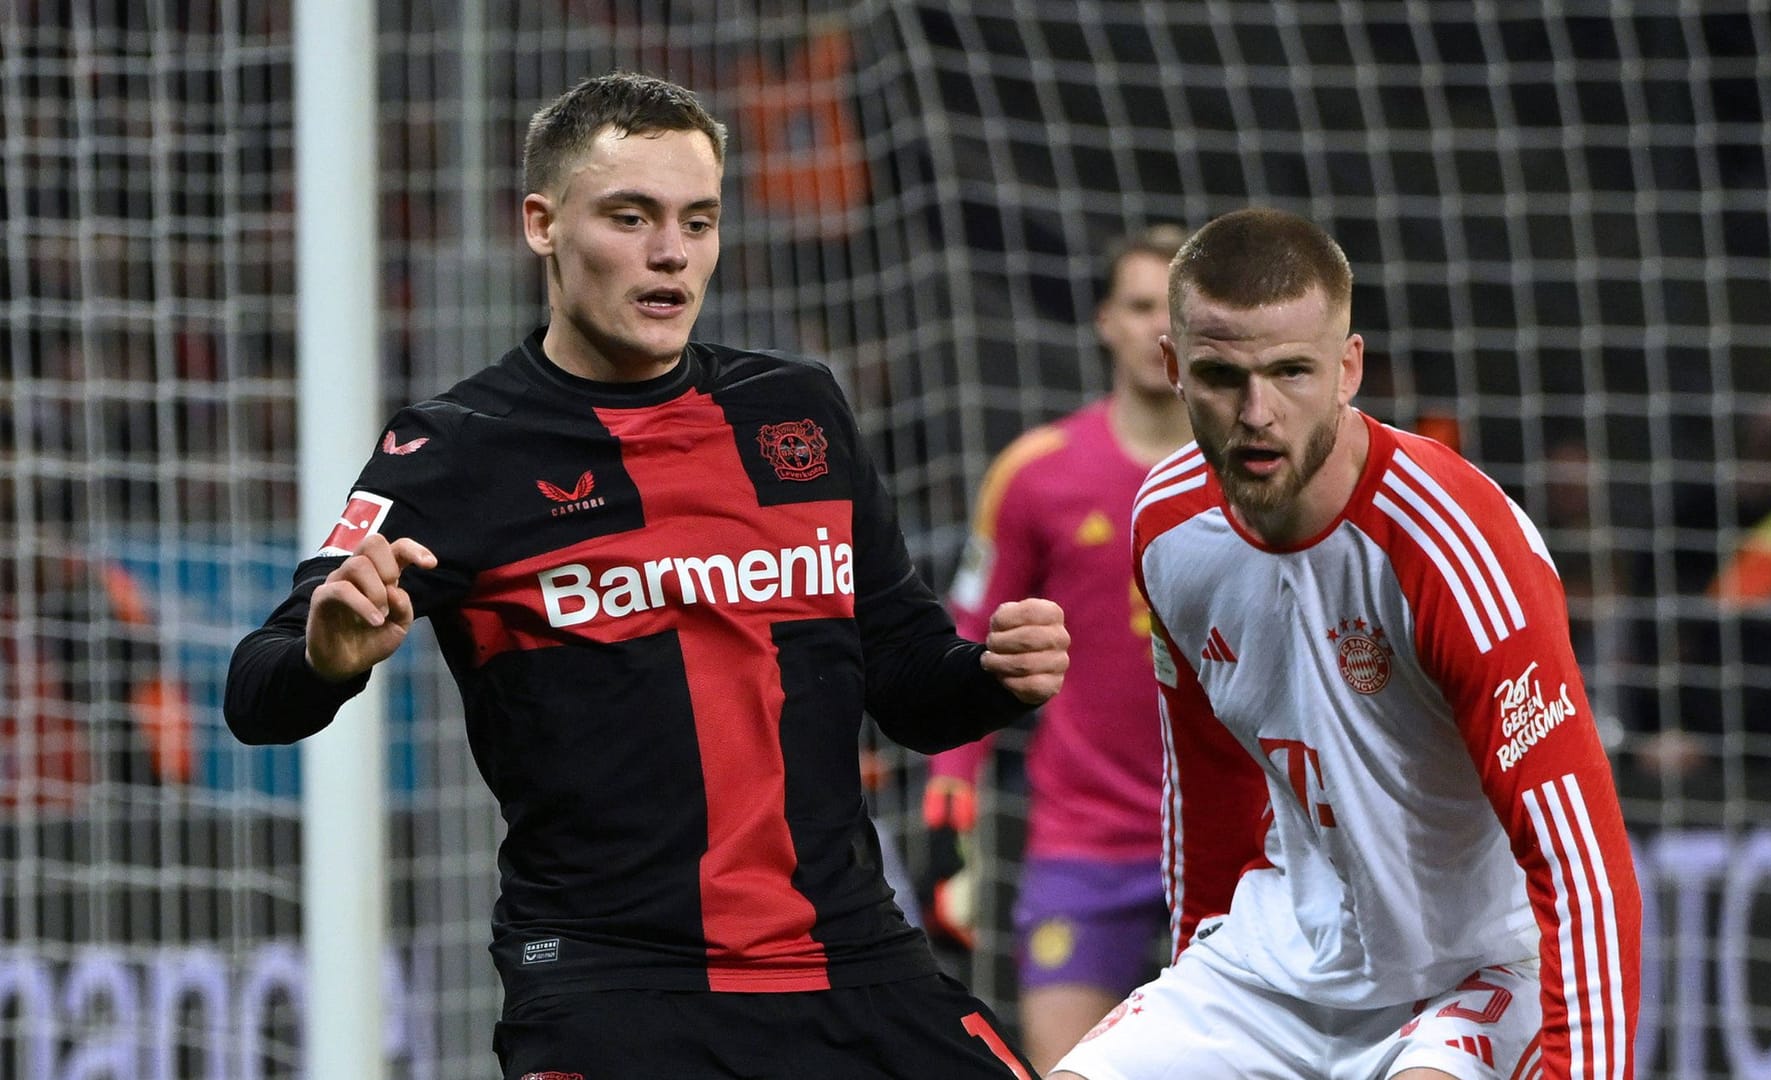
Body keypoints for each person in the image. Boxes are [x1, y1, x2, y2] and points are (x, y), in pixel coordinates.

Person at [224, 71, 1069, 1080]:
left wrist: (989, 675)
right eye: (632, 217)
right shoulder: (454, 452)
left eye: (698, 221)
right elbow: (255, 691)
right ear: (542, 223)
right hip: (616, 986)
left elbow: (904, 678)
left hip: (850, 963)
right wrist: (327, 657)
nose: (672, 253)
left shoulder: (795, 411)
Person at [1054, 208, 1641, 1080]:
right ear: (1173, 369)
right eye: (1222, 375)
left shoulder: (1452, 546)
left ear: (1347, 370)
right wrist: (1192, 987)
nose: (1259, 414)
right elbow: (1208, 793)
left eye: (1292, 371)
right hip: (1269, 970)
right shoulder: (1168, 526)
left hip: (1469, 976)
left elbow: (1580, 863)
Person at [920, 224, 1191, 1071]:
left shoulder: (1253, 471)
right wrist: (950, 801)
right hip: (1084, 839)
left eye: (1174, 310)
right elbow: (973, 638)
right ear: (1106, 320)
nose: (1158, 330)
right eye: (1140, 306)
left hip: (1230, 841)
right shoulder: (1037, 475)